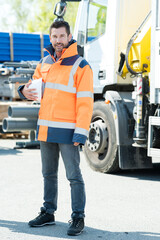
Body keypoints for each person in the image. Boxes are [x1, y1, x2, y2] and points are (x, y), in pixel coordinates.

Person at [18, 20, 93, 236]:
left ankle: (78, 216)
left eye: (62, 36)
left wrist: (81, 131)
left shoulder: (81, 65)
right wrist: (24, 89)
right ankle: (48, 212)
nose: (58, 40)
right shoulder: (44, 62)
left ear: (69, 38)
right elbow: (33, 86)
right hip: (46, 129)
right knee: (48, 174)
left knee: (74, 176)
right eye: (54, 37)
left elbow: (85, 102)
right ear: (50, 38)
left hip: (69, 131)